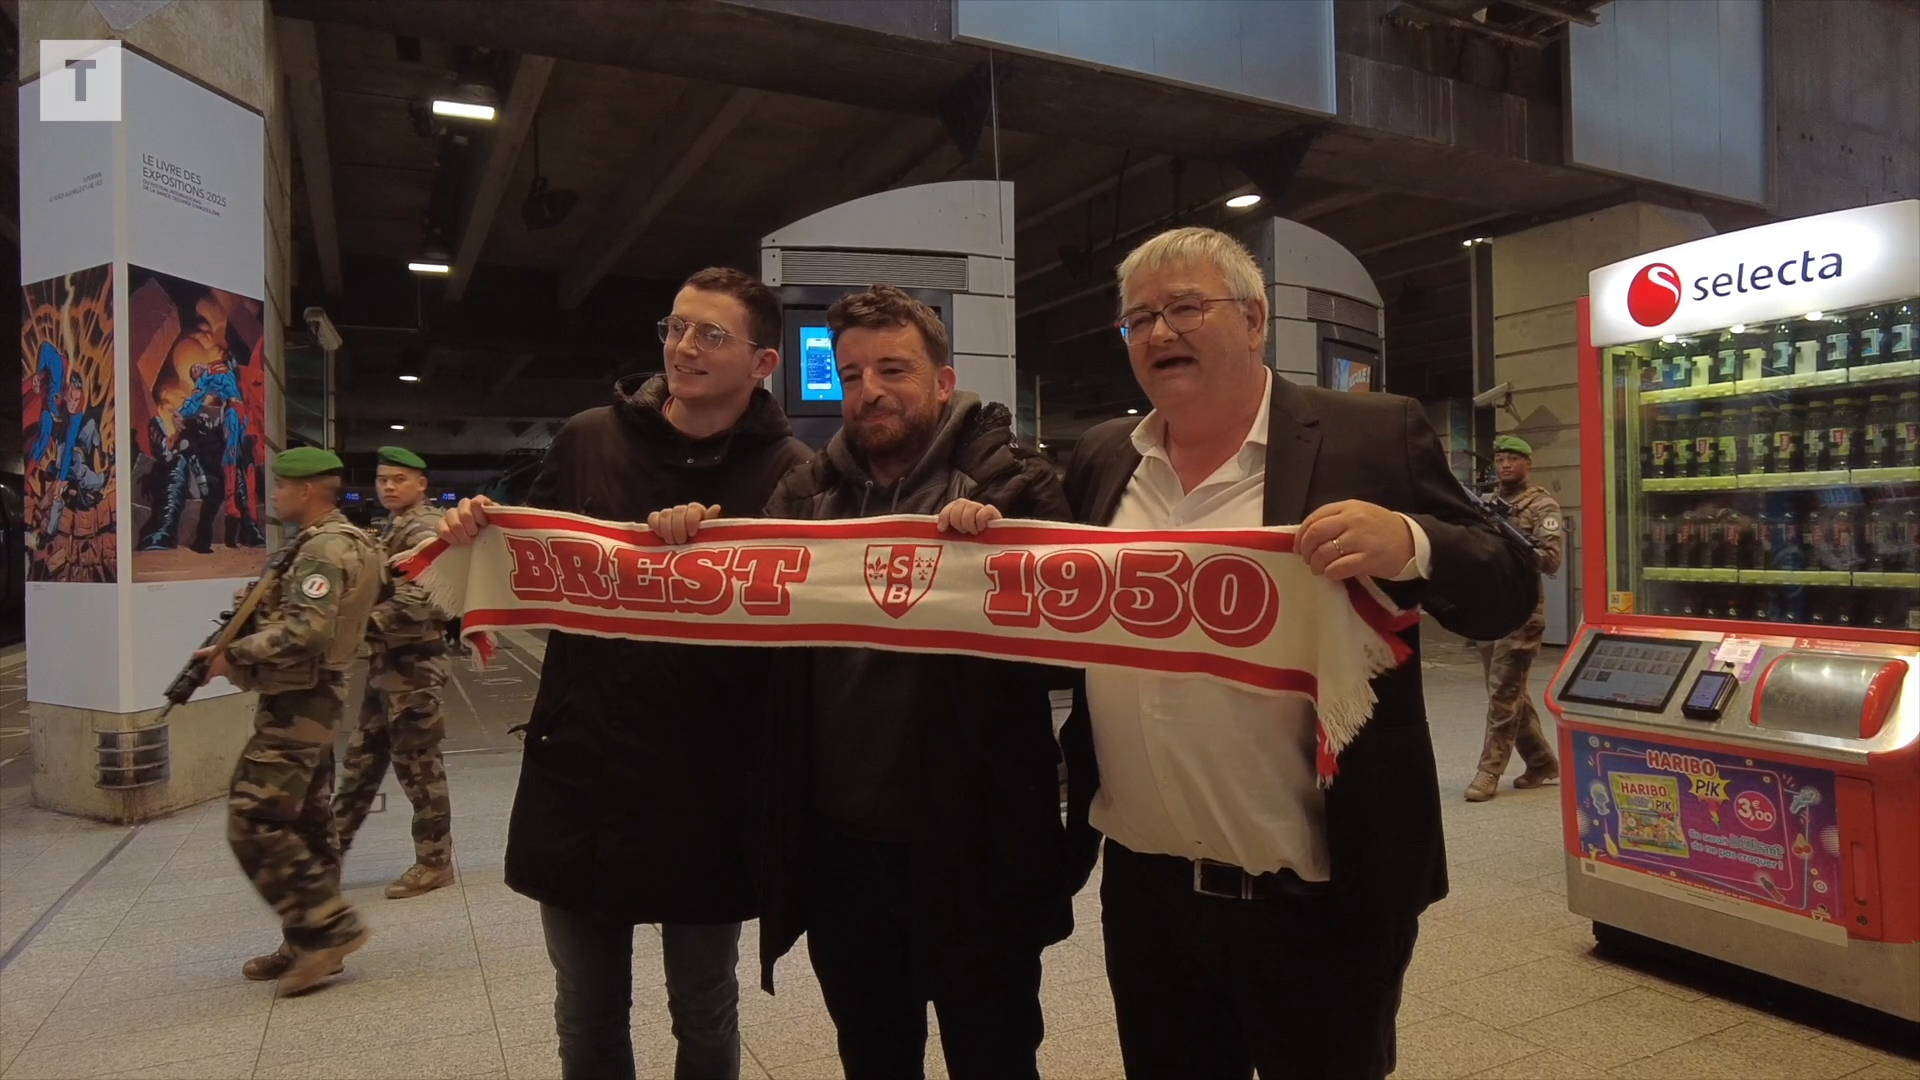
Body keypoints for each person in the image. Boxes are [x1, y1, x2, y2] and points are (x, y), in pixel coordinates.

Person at [1055, 228, 1538, 1080]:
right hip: (1147, 896)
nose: (1160, 332)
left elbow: (1510, 583)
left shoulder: (1371, 433)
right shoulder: (1103, 458)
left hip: (1319, 898)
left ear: (1253, 321)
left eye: (1185, 308)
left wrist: (1414, 541)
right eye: (1138, 320)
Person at [649, 285, 1074, 1080]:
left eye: (893, 369)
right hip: (844, 853)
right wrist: (688, 544)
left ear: (943, 383)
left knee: (996, 1056)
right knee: (874, 1058)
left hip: (977, 852)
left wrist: (1000, 553)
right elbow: (743, 628)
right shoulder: (809, 497)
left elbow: (1068, 656)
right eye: (850, 375)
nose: (869, 391)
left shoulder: (1016, 486)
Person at [437, 267, 811, 1080]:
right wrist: (476, 532)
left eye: (711, 334)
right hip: (583, 771)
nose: (684, 347)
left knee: (705, 1006)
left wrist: (715, 547)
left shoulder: (794, 473)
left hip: (713, 786)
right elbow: (527, 562)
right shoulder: (589, 438)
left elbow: (811, 624)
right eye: (675, 328)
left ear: (762, 363)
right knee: (587, 1010)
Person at [197, 447, 383, 995]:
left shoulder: (324, 548)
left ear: (307, 491)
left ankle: (329, 929)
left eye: (279, 487)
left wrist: (233, 656)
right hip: (315, 694)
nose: (273, 496)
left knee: (252, 817)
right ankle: (306, 942)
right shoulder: (348, 541)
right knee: (307, 821)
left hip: (300, 700)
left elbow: (308, 632)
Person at [333, 445, 458, 895]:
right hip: (389, 665)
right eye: (383, 480)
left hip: (415, 667)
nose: (388, 487)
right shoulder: (395, 527)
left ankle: (435, 860)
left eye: (399, 480)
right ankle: (327, 857)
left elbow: (420, 600)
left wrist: (349, 627)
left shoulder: (425, 528)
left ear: (421, 484)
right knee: (360, 764)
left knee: (419, 767)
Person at [1466, 435, 1564, 802]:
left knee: (1503, 693)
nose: (1506, 465)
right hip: (1490, 607)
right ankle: (1540, 761)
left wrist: (1516, 546)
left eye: (1513, 459)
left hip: (1523, 611)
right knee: (1509, 692)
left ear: (1528, 463)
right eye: (1501, 459)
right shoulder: (1487, 504)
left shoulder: (1542, 506)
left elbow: (1551, 560)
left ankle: (1489, 771)